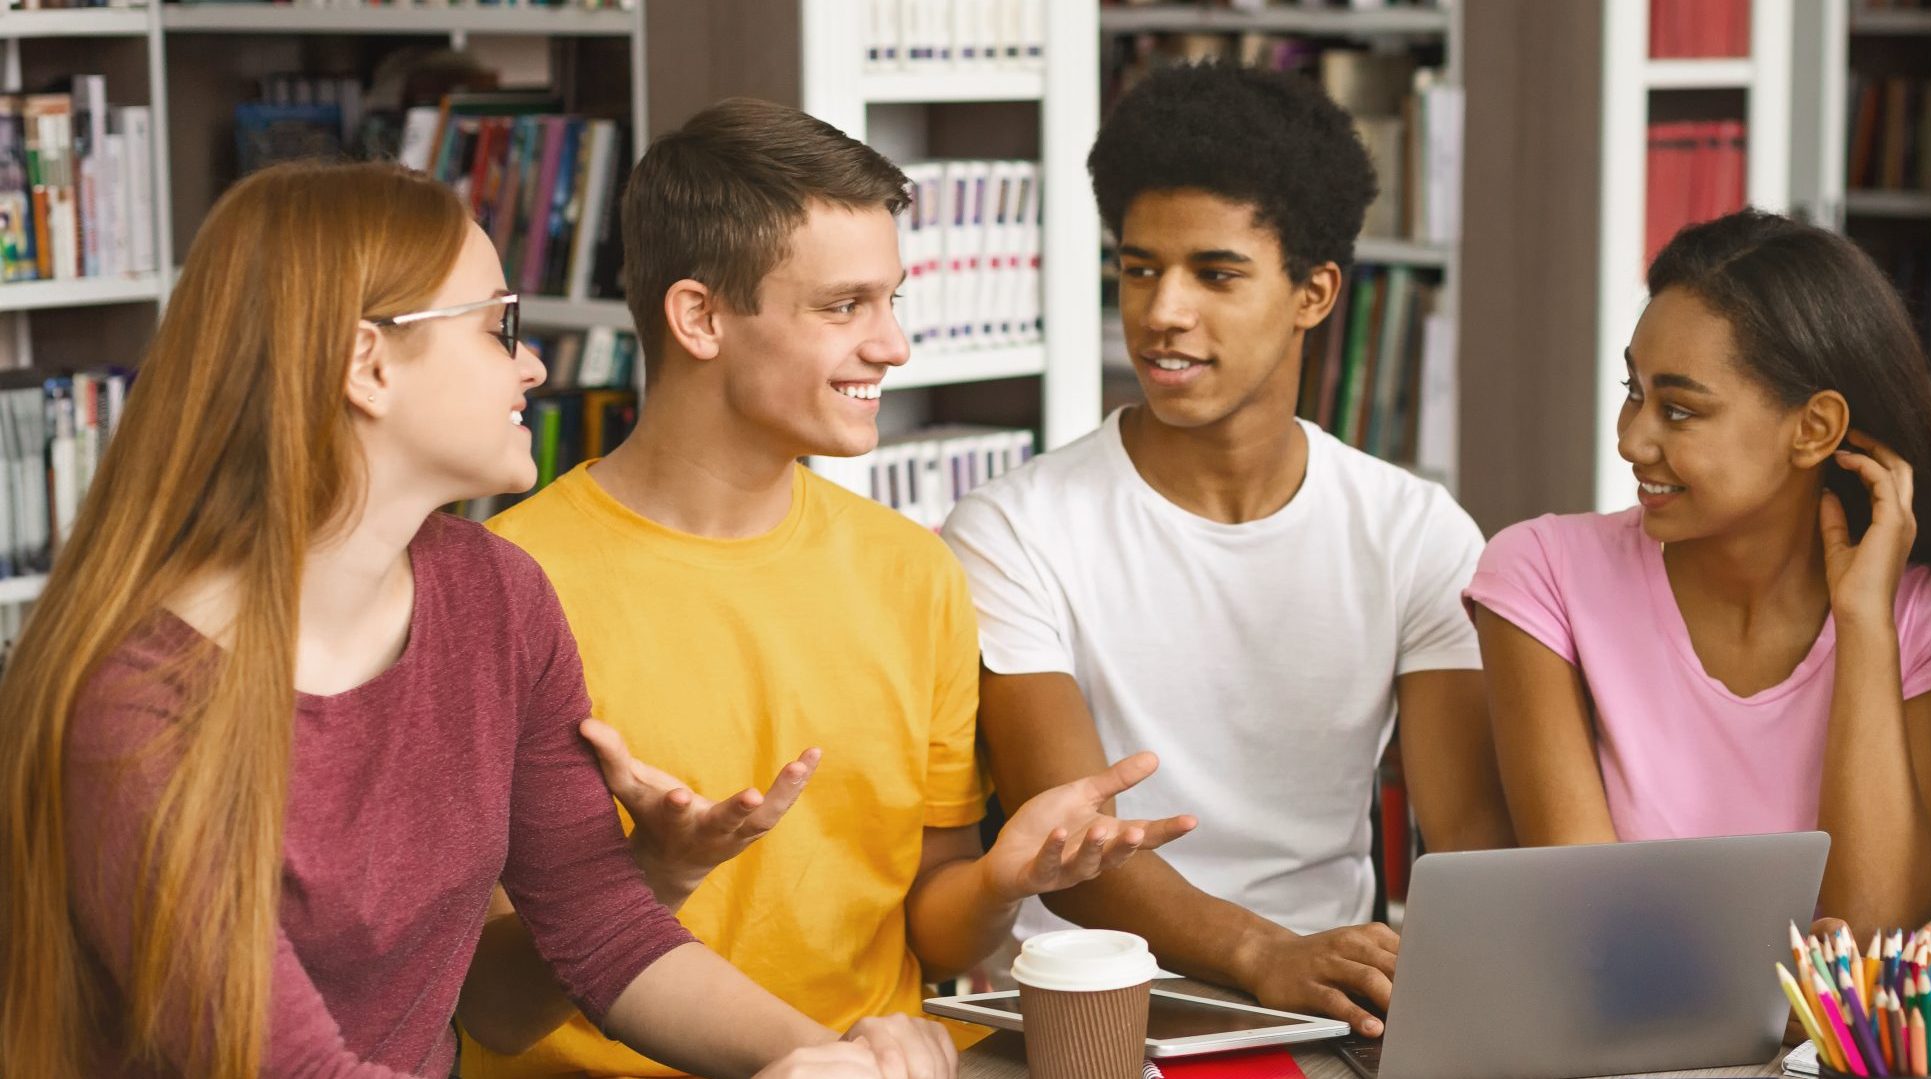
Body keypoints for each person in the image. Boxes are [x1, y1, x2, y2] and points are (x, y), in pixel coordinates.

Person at [0, 161, 922, 1079]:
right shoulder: (133, 701)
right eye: (496, 327)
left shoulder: (498, 596)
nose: (532, 362)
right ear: (368, 364)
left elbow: (599, 924)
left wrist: (838, 1057)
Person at [455, 98, 1193, 1079]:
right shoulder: (508, 586)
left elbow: (932, 924)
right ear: (699, 316)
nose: (893, 345)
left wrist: (1002, 880)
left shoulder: (914, 570)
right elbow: (490, 1000)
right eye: (844, 306)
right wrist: (650, 874)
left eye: (892, 300)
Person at [943, 63, 1507, 1039]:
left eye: (1215, 273)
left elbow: (1466, 840)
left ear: (1314, 292)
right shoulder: (1012, 527)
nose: (1162, 311)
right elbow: (1068, 845)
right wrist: (1259, 951)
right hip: (1094, 1006)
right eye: (1137, 266)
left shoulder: (1416, 532)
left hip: (1333, 1005)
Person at [1467, 211, 1931, 935]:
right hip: (1620, 1045)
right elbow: (1591, 918)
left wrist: (1865, 625)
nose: (1631, 439)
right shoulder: (1540, 578)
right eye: (1634, 391)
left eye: (1679, 410)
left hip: (1819, 1054)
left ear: (1813, 429)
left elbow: (1865, 926)